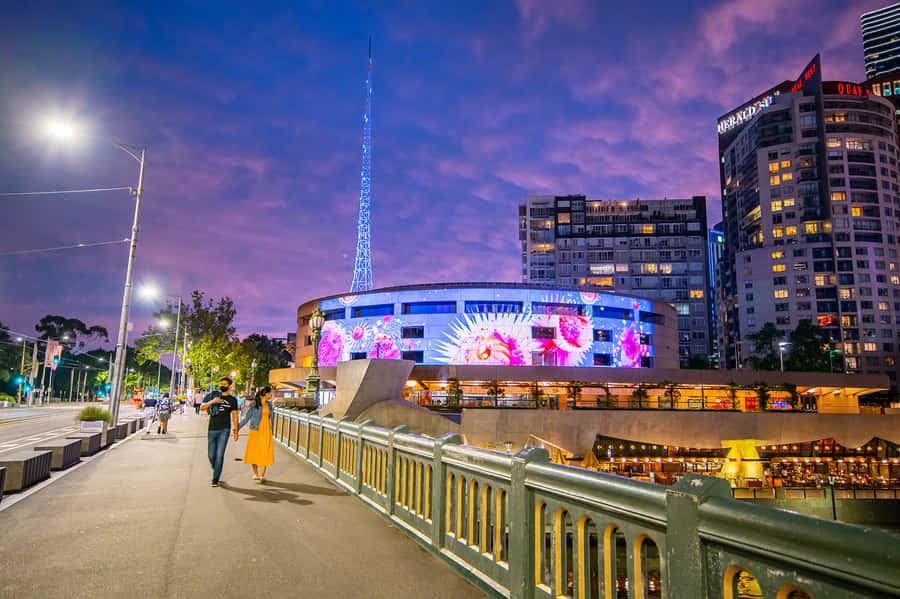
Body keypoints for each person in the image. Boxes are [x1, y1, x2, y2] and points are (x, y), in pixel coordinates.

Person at [200, 377, 239, 487]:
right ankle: (216, 469)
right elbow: (202, 408)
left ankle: (215, 478)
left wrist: (236, 430)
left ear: (230, 386)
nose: (223, 386)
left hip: (224, 429)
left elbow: (235, 416)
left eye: (225, 384)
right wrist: (213, 401)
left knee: (219, 454)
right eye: (221, 383)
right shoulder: (214, 395)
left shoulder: (232, 400)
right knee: (211, 455)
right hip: (212, 428)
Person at [238, 386, 274, 483]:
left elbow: (271, 418)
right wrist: (237, 428)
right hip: (255, 430)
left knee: (265, 452)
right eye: (270, 393)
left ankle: (262, 475)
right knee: (254, 452)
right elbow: (246, 418)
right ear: (266, 393)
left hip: (266, 430)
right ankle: (255, 473)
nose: (271, 395)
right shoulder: (254, 405)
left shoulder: (270, 405)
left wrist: (272, 430)